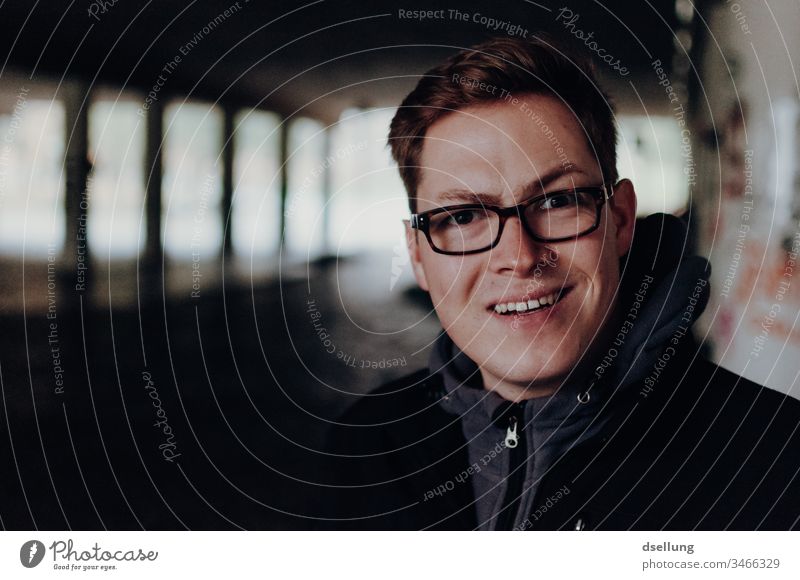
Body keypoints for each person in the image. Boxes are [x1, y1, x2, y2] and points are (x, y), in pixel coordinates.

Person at [320, 36, 800, 530]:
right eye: (463, 216)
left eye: (557, 202)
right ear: (418, 254)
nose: (520, 257)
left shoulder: (778, 463)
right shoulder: (362, 448)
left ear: (620, 220)